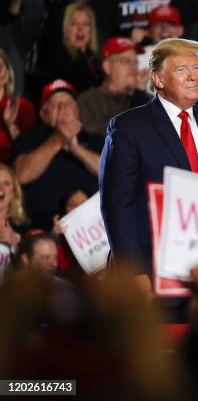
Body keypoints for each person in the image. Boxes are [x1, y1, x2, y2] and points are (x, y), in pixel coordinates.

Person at [99, 38, 198, 282]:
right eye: (181, 70)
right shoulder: (128, 127)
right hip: (152, 272)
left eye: (196, 68)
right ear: (158, 79)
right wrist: (133, 272)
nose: (193, 76)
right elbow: (117, 205)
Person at [10, 79, 102, 231]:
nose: (64, 107)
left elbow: (114, 173)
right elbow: (21, 175)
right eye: (55, 104)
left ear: (77, 111)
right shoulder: (29, 138)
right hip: (43, 229)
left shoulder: (95, 140)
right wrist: (57, 140)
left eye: (68, 103)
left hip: (93, 230)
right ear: (44, 114)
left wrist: (76, 149)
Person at [77, 37, 150, 137]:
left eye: (135, 62)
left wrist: (139, 95)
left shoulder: (148, 99)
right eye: (126, 61)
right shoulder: (87, 100)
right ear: (107, 67)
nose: (133, 67)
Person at [38, 2, 103, 94]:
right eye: (74, 24)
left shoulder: (95, 59)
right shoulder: (58, 62)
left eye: (85, 24)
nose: (80, 28)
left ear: (91, 30)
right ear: (66, 29)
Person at [0, 49, 37, 163]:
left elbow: (30, 153)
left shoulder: (23, 107)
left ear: (6, 72)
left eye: (0, 67)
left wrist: (11, 126)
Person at [0, 164, 28, 284]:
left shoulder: (22, 229)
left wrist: (16, 245)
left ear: (13, 193)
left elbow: (32, 274)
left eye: (6, 183)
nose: (0, 188)